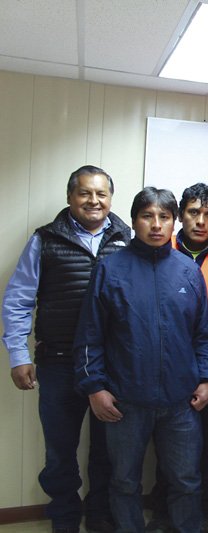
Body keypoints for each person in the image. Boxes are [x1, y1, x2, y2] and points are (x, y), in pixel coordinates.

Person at [73, 187, 208, 533]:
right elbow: (90, 335)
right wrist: (95, 387)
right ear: (135, 221)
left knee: (186, 480)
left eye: (164, 217)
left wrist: (207, 379)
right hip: (125, 401)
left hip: (181, 402)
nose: (156, 225)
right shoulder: (110, 269)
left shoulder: (187, 270)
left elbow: (204, 333)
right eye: (147, 216)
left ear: (174, 222)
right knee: (124, 482)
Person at [2, 165, 129, 533]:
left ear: (110, 198)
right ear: (70, 197)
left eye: (101, 194)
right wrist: (19, 355)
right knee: (60, 452)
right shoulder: (45, 239)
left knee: (108, 450)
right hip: (58, 363)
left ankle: (100, 515)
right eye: (85, 193)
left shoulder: (127, 237)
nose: (94, 201)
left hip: (112, 367)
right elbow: (18, 300)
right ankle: (64, 518)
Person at [146, 184, 208, 533]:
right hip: (168, 367)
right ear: (180, 214)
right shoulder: (159, 248)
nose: (200, 221)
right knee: (166, 446)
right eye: (193, 212)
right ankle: (162, 513)